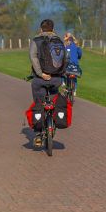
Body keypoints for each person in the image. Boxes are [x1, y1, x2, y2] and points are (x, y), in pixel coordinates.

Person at [29, 19, 67, 147]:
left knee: (38, 103)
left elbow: (33, 57)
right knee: (54, 99)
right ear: (53, 29)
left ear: (41, 29)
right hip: (56, 79)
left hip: (40, 80)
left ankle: (39, 133)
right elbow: (64, 60)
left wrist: (41, 74)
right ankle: (55, 121)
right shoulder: (59, 41)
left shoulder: (36, 40)